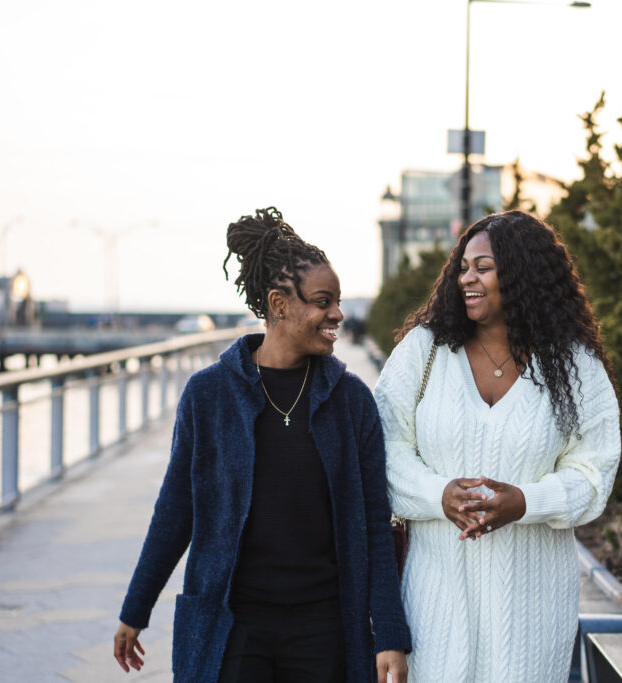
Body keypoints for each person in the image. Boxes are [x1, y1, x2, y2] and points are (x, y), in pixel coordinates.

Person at [114, 207, 410, 683]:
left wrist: (391, 634)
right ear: (278, 304)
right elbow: (175, 511)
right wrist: (136, 608)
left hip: (325, 627)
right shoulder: (208, 395)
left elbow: (375, 524)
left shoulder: (352, 401)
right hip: (234, 624)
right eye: (322, 301)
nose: (337, 313)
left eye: (336, 302)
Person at [373, 210, 620, 682]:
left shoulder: (575, 366)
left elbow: (594, 474)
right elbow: (384, 449)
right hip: (434, 602)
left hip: (533, 609)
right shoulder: (424, 351)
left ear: (522, 274)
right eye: (463, 267)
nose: (467, 278)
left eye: (482, 267)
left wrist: (526, 502)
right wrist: (437, 494)